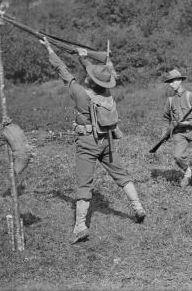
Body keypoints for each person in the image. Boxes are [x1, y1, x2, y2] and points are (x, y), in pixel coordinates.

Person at [40, 37, 146, 243]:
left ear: (89, 80)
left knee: (84, 184)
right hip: (107, 140)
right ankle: (138, 208)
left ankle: (80, 226)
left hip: (88, 142)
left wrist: (50, 50)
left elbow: (63, 73)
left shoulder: (81, 94)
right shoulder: (107, 93)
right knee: (121, 175)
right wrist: (84, 59)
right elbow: (98, 75)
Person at [161, 69, 192, 190]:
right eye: (169, 82)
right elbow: (166, 118)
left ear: (180, 81)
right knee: (177, 156)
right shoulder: (170, 100)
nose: (170, 84)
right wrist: (165, 133)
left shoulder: (191, 96)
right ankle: (188, 172)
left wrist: (189, 122)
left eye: (172, 81)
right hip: (179, 132)